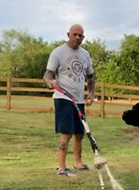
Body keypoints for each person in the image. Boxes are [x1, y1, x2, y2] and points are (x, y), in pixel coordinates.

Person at [43, 24, 96, 176]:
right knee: (66, 133)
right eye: (75, 35)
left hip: (78, 100)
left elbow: (91, 77)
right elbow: (48, 74)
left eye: (81, 36)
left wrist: (91, 94)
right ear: (68, 35)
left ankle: (78, 163)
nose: (78, 38)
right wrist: (49, 82)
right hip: (63, 98)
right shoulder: (58, 52)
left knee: (79, 133)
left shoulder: (85, 54)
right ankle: (61, 167)